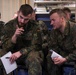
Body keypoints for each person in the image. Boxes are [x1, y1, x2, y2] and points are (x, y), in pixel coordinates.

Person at [2, 4, 49, 75]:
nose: (22, 21)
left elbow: (37, 46)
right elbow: (5, 47)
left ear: (30, 17)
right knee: (4, 56)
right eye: (21, 17)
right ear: (18, 13)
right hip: (13, 54)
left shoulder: (35, 26)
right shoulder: (9, 26)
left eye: (26, 19)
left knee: (34, 58)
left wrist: (21, 52)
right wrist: (14, 36)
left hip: (28, 54)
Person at [47, 8, 76, 75]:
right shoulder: (54, 31)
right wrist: (55, 57)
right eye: (51, 20)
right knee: (49, 58)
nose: (51, 23)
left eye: (53, 20)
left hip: (72, 56)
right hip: (62, 55)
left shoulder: (74, 29)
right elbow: (52, 47)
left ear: (62, 19)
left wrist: (65, 59)